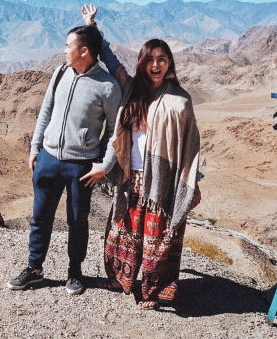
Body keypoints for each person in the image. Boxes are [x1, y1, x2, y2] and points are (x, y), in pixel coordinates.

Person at [80, 35, 202, 310]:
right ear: (142, 63)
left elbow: (191, 146)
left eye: (161, 59)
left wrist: (192, 182)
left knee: (156, 240)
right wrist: (92, 29)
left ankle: (153, 293)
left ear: (169, 63)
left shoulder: (180, 101)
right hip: (130, 177)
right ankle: (120, 280)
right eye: (150, 59)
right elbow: (112, 64)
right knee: (122, 233)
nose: (155, 65)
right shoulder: (131, 89)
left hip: (161, 181)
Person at [7, 11, 122, 295]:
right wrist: (35, 148)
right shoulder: (60, 73)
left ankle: (75, 272)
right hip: (48, 158)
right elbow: (45, 112)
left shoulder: (108, 86)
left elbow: (115, 133)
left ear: (84, 51)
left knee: (77, 221)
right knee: (40, 217)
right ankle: (34, 269)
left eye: (68, 45)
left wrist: (105, 166)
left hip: (81, 165)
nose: (64, 50)